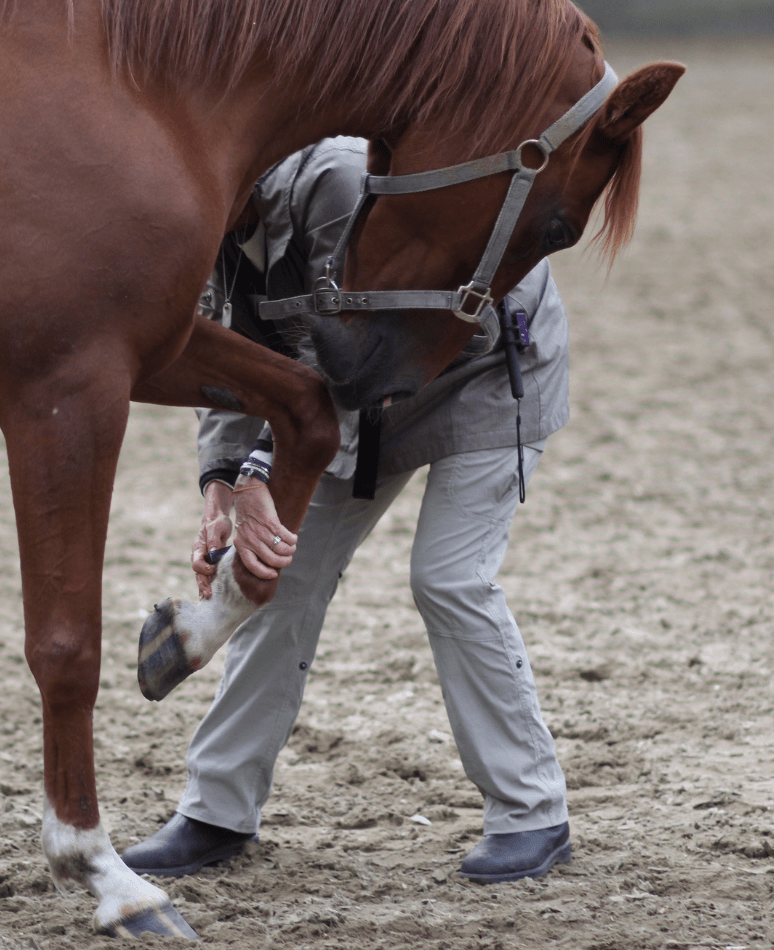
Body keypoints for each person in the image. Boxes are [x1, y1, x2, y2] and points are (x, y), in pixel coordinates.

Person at [122, 137, 572, 884]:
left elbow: (368, 344)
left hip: (482, 373)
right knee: (276, 577)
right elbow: (232, 359)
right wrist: (223, 486)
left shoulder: (338, 183)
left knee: (449, 579)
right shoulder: (207, 219)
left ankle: (533, 813)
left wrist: (267, 470)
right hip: (341, 404)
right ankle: (216, 811)